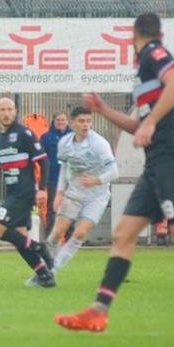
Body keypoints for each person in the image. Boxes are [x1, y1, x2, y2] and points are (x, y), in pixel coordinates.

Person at [55, 13, 174, 338]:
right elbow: (138, 123)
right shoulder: (143, 76)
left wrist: (151, 124)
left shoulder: (152, 53)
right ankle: (98, 312)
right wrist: (104, 110)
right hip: (156, 165)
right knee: (123, 234)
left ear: (132, 36)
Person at [0, 97, 55, 287]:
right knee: (19, 238)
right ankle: (45, 276)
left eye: (9, 109)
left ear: (15, 111)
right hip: (12, 192)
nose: (6, 113)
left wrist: (42, 190)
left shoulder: (25, 133)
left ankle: (39, 247)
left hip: (23, 192)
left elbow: (44, 161)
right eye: (2, 110)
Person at [36, 107, 117, 281]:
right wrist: (59, 193)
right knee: (57, 233)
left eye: (88, 121)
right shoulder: (64, 143)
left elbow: (114, 171)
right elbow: (65, 167)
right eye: (81, 121)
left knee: (79, 234)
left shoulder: (99, 143)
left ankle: (52, 271)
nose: (85, 125)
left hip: (96, 197)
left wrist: (97, 180)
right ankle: (44, 267)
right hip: (73, 193)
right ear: (72, 123)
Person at [41, 111, 71, 235]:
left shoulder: (74, 136)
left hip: (71, 178)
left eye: (63, 120)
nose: (61, 122)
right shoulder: (46, 137)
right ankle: (50, 238)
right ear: (54, 122)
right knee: (53, 208)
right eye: (58, 120)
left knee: (70, 208)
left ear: (67, 121)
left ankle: (70, 237)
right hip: (53, 178)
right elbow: (41, 158)